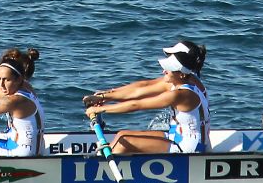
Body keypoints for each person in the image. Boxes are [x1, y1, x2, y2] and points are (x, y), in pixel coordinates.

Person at [82, 40, 211, 154]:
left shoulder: (181, 94)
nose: (163, 71)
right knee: (122, 134)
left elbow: (137, 105)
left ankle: (102, 173)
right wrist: (104, 96)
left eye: (169, 68)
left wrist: (99, 110)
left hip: (189, 149)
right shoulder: (183, 80)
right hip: (177, 137)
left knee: (123, 142)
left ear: (182, 74)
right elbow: (142, 88)